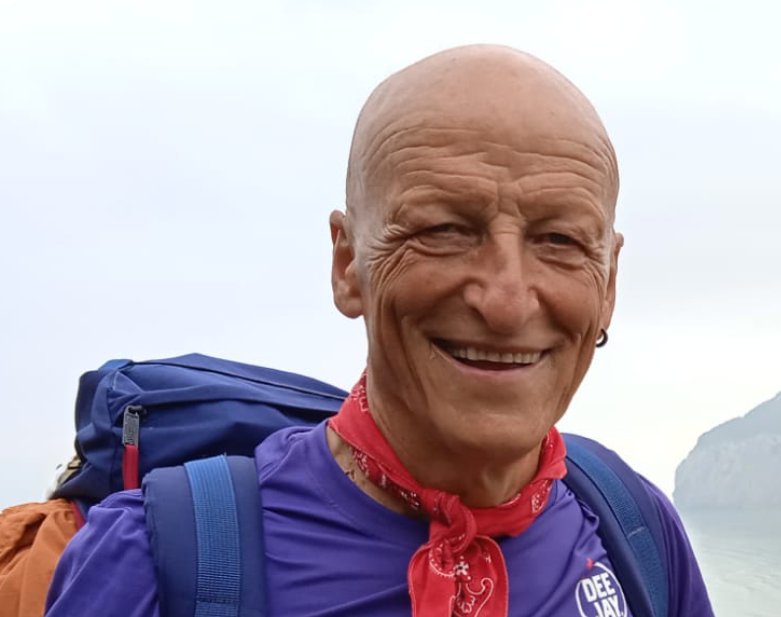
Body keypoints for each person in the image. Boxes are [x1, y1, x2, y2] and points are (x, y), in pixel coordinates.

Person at [44, 44, 714, 617]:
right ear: (348, 266)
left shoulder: (635, 530)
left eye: (560, 240)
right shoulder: (153, 562)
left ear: (609, 282)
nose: (507, 301)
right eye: (444, 230)